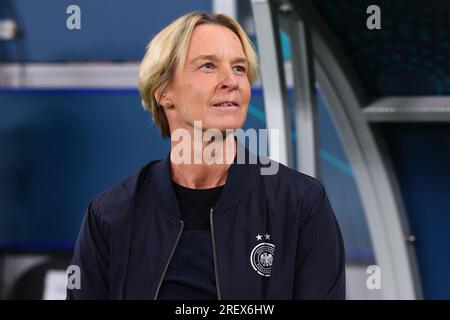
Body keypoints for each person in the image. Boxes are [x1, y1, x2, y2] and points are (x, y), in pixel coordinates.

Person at [67, 11, 345, 300]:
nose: (232, 81)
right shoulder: (110, 215)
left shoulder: (301, 205)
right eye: (208, 66)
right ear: (163, 91)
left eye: (239, 68)